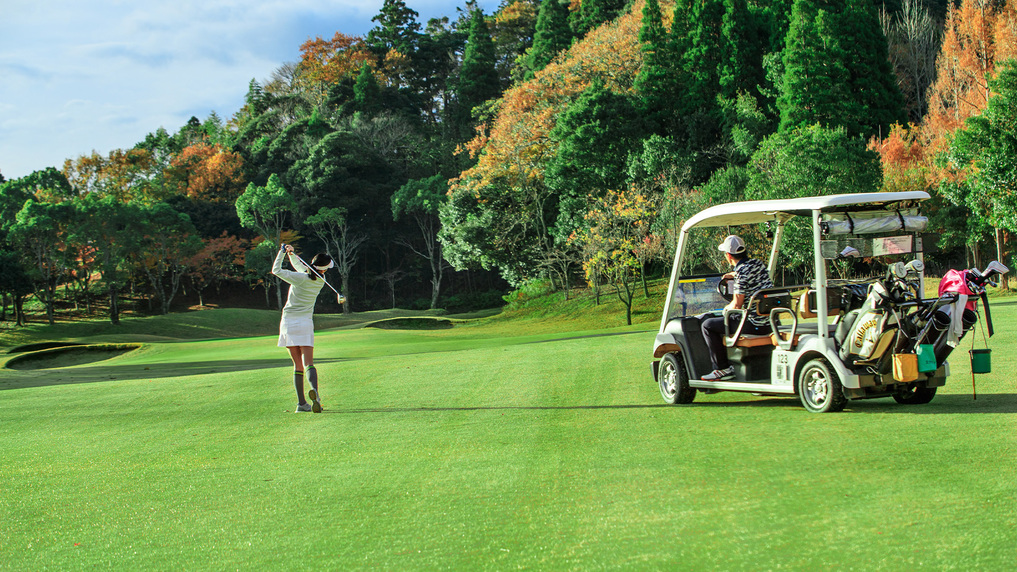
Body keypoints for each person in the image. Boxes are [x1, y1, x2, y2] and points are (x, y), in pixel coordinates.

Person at [700, 235, 774, 381]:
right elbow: (747, 273)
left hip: (754, 324)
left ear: (728, 255)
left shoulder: (741, 273)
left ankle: (721, 369)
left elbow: (736, 304)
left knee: (707, 325)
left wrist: (725, 309)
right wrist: (733, 275)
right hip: (770, 322)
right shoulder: (757, 264)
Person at [272, 244, 334, 413]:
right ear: (324, 269)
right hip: (305, 323)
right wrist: (292, 254)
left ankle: (302, 404)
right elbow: (302, 267)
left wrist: (282, 252)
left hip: (288, 323)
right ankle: (317, 398)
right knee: (309, 364)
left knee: (297, 365)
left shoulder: (299, 278)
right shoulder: (321, 281)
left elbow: (276, 270)